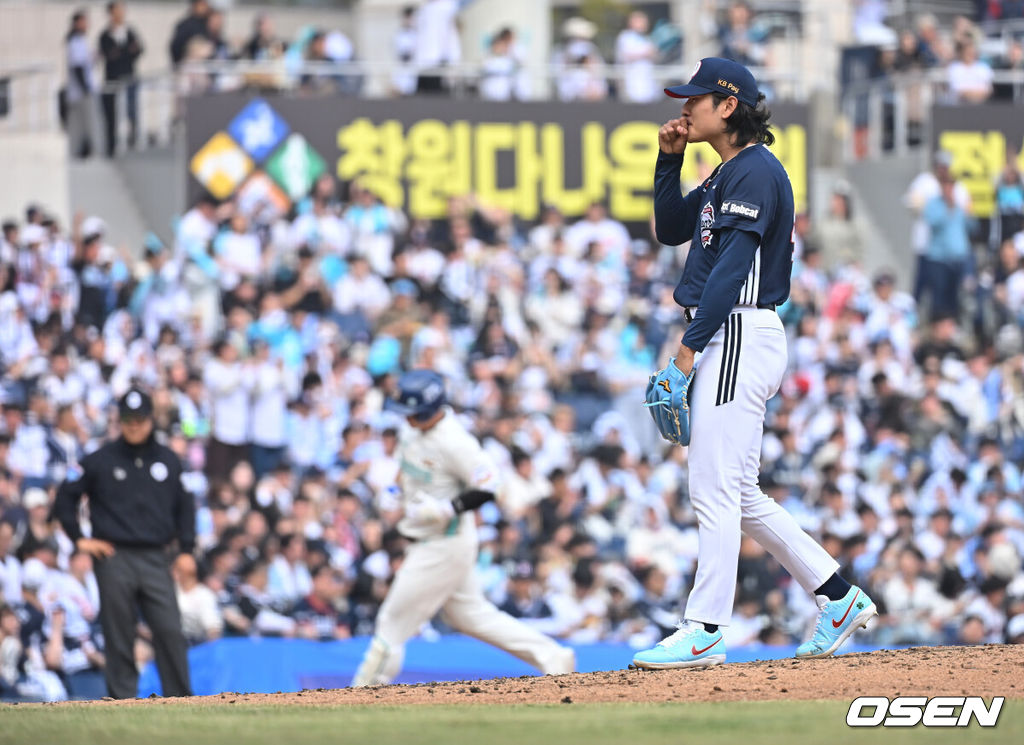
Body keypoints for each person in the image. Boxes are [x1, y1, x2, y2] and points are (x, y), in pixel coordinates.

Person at [632, 58, 877, 670]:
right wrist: (668, 162)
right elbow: (669, 229)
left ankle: (706, 625)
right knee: (738, 493)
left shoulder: (757, 173)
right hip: (734, 330)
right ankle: (838, 597)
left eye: (695, 99)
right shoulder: (725, 173)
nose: (684, 107)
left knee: (711, 488)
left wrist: (687, 351)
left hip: (736, 328)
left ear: (728, 106)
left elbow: (731, 271)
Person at [351, 370, 574, 686]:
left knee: (391, 623)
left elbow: (489, 484)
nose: (408, 419)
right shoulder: (411, 431)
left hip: (445, 540)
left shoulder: (454, 440)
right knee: (470, 615)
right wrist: (393, 491)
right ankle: (552, 656)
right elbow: (409, 468)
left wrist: (447, 507)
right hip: (428, 538)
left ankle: (363, 690)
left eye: (414, 414)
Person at [53, 388, 193, 698]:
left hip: (157, 556)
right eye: (128, 419)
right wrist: (80, 539)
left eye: (140, 419)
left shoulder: (169, 460)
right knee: (119, 632)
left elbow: (186, 506)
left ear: (150, 420)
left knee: (169, 628)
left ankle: (181, 698)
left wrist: (186, 550)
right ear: (120, 420)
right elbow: (65, 497)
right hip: (114, 555)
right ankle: (122, 699)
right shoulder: (99, 460)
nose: (134, 425)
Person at [98, 1, 143, 157]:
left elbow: (139, 50)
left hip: (129, 78)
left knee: (132, 113)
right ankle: (112, 148)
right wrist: (127, 51)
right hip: (112, 81)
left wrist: (121, 53)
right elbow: (110, 55)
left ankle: (132, 144)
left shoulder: (129, 31)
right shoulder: (105, 35)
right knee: (111, 116)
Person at [65, 9, 97, 159]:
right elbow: (77, 66)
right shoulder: (75, 41)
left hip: (82, 89)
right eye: (84, 21)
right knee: (83, 125)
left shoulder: (81, 40)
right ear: (77, 23)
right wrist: (85, 88)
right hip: (80, 91)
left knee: (83, 124)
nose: (87, 24)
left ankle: (83, 152)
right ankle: (81, 153)